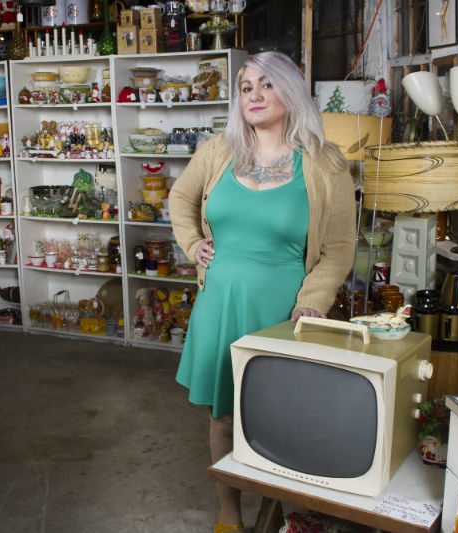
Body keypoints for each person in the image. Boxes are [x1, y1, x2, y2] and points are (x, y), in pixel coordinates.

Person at [168, 51, 356, 533]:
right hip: (221, 301)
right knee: (223, 415)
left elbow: (337, 248)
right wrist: (192, 244)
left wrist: (312, 300)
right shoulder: (217, 151)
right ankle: (230, 513)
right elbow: (181, 197)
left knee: (282, 418)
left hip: (284, 310)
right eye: (246, 86)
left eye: (266, 84)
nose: (253, 94)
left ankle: (283, 512)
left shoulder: (325, 164)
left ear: (290, 91)